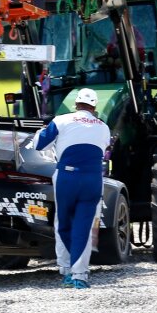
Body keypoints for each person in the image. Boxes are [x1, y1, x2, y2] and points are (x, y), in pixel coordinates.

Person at [33, 88, 110, 289]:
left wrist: (42, 129)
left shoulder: (61, 120)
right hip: (93, 179)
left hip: (67, 177)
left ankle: (66, 270)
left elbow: (38, 145)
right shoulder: (104, 127)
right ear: (94, 107)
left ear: (76, 104)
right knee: (84, 226)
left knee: (64, 223)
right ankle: (80, 276)